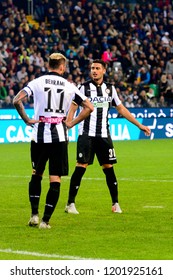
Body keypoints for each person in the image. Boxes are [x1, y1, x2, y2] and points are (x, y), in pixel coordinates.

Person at [13, 53, 94, 229]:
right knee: (55, 178)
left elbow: (16, 100)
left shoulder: (37, 82)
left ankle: (34, 215)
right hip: (59, 136)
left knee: (36, 173)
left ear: (48, 65)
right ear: (62, 67)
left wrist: (27, 120)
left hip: (39, 135)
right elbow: (89, 107)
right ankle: (45, 221)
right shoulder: (69, 86)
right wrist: (71, 122)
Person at [65, 59, 151, 215]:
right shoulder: (83, 88)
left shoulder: (110, 89)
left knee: (109, 168)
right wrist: (68, 125)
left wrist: (139, 125)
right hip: (86, 134)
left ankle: (115, 203)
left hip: (104, 135)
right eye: (92, 68)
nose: (94, 71)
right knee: (81, 166)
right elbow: (73, 107)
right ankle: (70, 203)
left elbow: (121, 109)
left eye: (97, 68)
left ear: (104, 70)